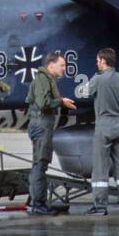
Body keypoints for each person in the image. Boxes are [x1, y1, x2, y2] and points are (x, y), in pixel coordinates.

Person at [84, 48, 119, 216]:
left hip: (104, 126)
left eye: (97, 60)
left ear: (103, 61)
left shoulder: (98, 80)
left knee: (101, 166)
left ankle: (100, 205)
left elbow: (85, 93)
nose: (96, 63)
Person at [27, 52, 76, 215]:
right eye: (62, 65)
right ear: (51, 65)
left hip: (41, 126)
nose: (64, 68)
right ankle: (38, 204)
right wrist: (61, 101)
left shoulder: (46, 79)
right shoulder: (42, 79)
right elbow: (43, 104)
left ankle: (37, 202)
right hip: (41, 127)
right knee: (40, 164)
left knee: (40, 164)